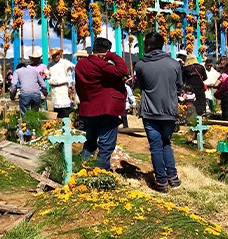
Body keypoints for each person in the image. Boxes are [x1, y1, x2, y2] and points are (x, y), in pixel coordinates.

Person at [134, 32, 182, 193]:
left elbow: (140, 85)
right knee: (166, 143)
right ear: (162, 45)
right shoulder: (175, 64)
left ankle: (161, 182)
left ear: (147, 46)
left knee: (155, 146)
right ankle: (173, 178)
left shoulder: (140, 65)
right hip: (169, 110)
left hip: (149, 111)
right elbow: (179, 87)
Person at [74, 37, 128, 171]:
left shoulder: (80, 65)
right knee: (105, 145)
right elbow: (123, 70)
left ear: (93, 49)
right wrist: (112, 56)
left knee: (90, 143)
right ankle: (101, 173)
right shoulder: (102, 65)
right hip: (106, 110)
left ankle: (78, 169)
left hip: (88, 109)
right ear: (107, 51)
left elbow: (78, 87)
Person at [46, 48, 75, 118]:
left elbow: (69, 76)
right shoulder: (50, 66)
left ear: (59, 55)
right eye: (54, 55)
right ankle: (58, 125)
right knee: (57, 110)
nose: (56, 57)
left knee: (65, 107)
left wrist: (70, 86)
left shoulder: (66, 63)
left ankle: (66, 125)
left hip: (63, 88)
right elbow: (49, 76)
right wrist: (45, 75)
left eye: (57, 55)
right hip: (54, 89)